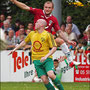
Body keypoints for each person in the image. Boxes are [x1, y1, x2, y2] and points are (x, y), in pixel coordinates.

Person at [10, 0, 80, 67]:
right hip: (37, 40)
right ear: (43, 7)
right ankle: (38, 76)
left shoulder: (53, 19)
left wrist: (68, 41)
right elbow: (25, 7)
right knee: (42, 66)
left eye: (49, 8)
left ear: (52, 9)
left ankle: (71, 61)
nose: (47, 9)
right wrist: (14, 1)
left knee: (60, 41)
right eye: (46, 7)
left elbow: (59, 32)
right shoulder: (38, 12)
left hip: (46, 40)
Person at [9, 19, 64, 90]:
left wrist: (46, 56)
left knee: (51, 74)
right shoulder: (32, 33)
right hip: (36, 60)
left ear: (41, 25)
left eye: (37, 22)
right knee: (44, 79)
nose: (35, 23)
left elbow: (54, 47)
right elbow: (24, 42)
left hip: (47, 59)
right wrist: (14, 49)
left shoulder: (48, 35)